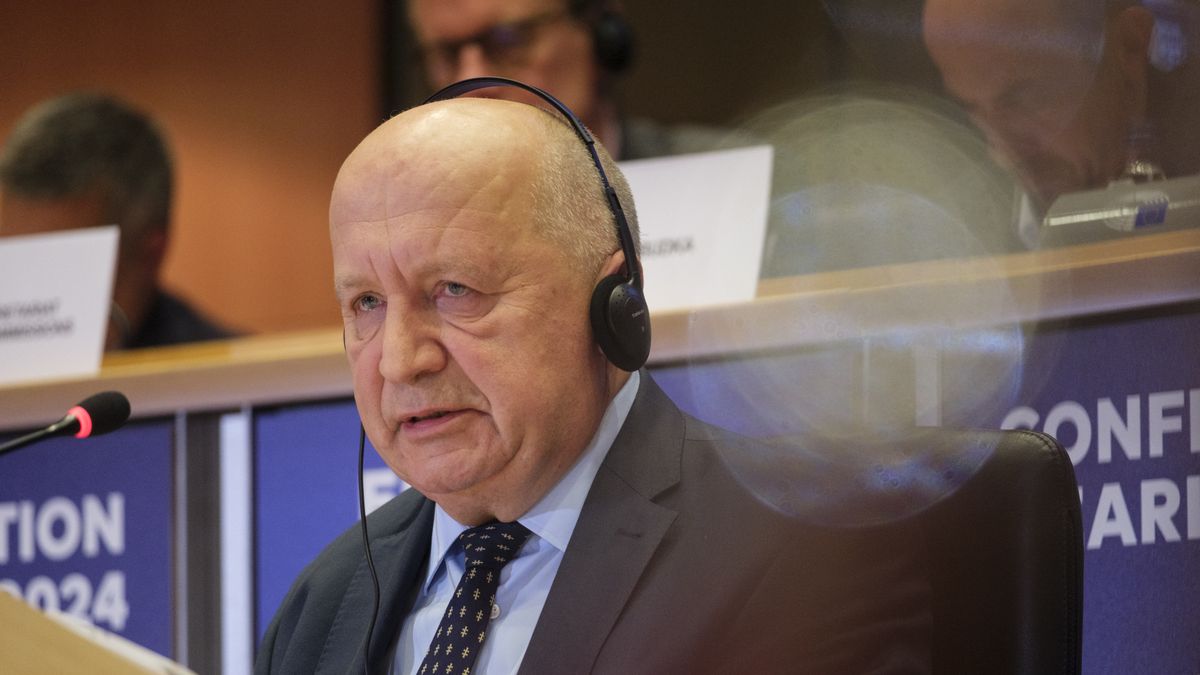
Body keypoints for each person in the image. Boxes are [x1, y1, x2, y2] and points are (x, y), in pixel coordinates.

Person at [256, 92, 930, 673]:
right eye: (367, 304)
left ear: (613, 305)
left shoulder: (794, 557)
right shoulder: (324, 603)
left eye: (455, 289)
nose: (400, 360)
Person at [922, 0, 1200, 239]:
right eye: (972, 109)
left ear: (1130, 47)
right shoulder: (970, 221)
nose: (1003, 154)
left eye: (1024, 100)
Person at [0, 92, 233, 350]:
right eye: (13, 262)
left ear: (152, 252)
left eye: (63, 267)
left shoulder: (243, 384)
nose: (30, 302)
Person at [406, 0, 742, 160]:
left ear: (603, 36)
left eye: (509, 40)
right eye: (448, 55)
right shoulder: (405, 227)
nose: (472, 82)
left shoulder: (736, 182)